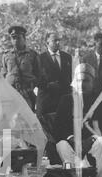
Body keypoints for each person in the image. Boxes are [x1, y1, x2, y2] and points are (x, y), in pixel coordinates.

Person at [53, 63, 102, 177]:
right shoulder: (66, 100)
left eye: (86, 80)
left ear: (93, 83)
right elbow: (58, 128)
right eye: (79, 80)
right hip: (71, 144)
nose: (82, 84)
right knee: (61, 145)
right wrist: (72, 139)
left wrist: (93, 139)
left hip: (94, 142)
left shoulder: (100, 101)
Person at [36, 32, 72, 164]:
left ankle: (63, 161)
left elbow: (71, 79)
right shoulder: (40, 59)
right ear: (47, 43)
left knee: (61, 132)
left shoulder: (67, 57)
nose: (57, 43)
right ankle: (52, 162)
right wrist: (47, 85)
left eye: (59, 40)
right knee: (47, 134)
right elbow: (35, 79)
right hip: (46, 102)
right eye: (54, 40)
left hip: (62, 102)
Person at [2, 25, 41, 109]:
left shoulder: (32, 55)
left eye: (18, 38)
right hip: (10, 95)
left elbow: (38, 75)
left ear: (24, 38)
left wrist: (30, 87)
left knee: (27, 119)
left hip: (27, 94)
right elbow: (4, 74)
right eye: (13, 38)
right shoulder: (6, 55)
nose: (15, 40)